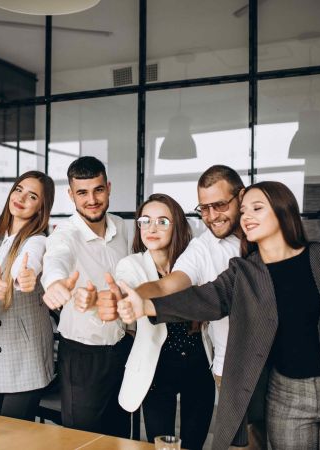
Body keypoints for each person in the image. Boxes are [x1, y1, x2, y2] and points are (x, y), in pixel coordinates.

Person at [117, 181, 320, 450]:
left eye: (257, 208)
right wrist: (147, 305)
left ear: (283, 211)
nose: (247, 217)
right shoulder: (244, 272)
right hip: (286, 396)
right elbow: (204, 298)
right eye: (244, 211)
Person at [99, 165, 265, 448]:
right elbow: (167, 286)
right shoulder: (200, 250)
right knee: (242, 443)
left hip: (237, 363)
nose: (212, 216)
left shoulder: (264, 238)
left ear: (241, 197)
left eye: (220, 205)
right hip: (221, 368)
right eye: (204, 208)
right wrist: (135, 298)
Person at [41, 156, 131, 437]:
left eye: (98, 190)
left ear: (109, 188)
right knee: (82, 438)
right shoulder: (65, 234)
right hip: (82, 357)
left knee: (120, 436)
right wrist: (55, 283)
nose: (92, 199)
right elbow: (56, 257)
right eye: (82, 192)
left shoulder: (123, 227)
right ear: (71, 195)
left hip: (122, 348)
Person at [115, 194, 214, 450]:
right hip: (156, 369)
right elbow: (132, 291)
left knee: (194, 444)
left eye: (162, 221)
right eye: (145, 221)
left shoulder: (193, 261)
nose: (152, 228)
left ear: (177, 225)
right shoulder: (131, 265)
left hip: (198, 365)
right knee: (160, 445)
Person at [0, 171, 55, 421]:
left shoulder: (39, 241)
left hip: (26, 356)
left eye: (32, 196)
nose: (21, 198)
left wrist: (24, 274)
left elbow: (29, 260)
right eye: (19, 189)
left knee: (14, 436)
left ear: (41, 208)